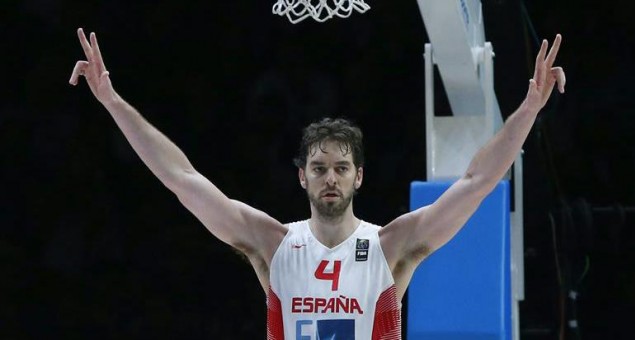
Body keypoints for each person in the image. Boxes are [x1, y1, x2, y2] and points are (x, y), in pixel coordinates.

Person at [69, 27, 565, 339]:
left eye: (342, 168)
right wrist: (113, 102)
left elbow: (478, 182)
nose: (331, 177)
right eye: (321, 168)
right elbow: (181, 178)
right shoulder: (273, 244)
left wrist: (528, 109)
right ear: (302, 176)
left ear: (359, 177)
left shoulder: (391, 245)